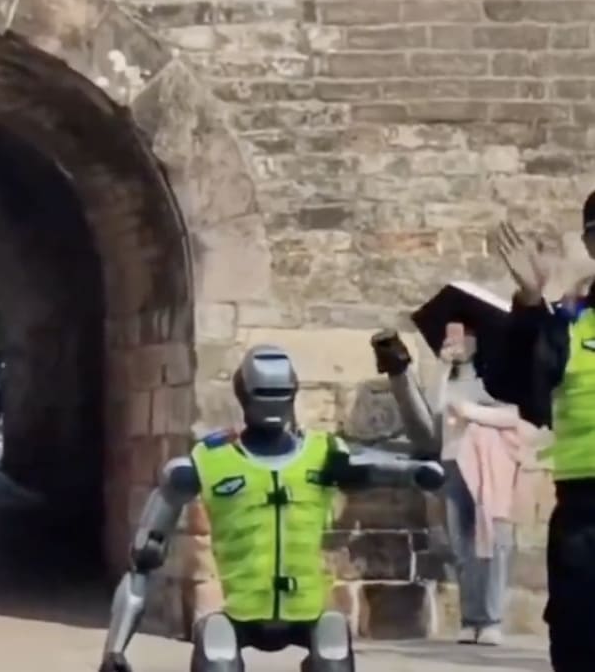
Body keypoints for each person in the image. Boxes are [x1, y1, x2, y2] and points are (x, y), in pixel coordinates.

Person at [97, 344, 445, 672]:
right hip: (240, 613)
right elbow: (142, 562)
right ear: (244, 396)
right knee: (216, 647)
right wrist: (114, 650)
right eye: (263, 394)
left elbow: (414, 461)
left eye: (280, 394)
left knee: (333, 643)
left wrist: (400, 376)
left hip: (308, 612)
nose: (272, 404)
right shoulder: (208, 462)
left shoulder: (326, 455)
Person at [372, 323, 535, 646]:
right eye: (449, 334)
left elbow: (518, 415)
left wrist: (472, 412)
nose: (455, 340)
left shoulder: (497, 377)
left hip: (489, 467)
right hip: (453, 461)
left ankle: (490, 620)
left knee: (491, 543)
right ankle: (470, 619)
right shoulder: (449, 375)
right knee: (461, 546)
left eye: (462, 334)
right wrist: (443, 367)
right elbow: (434, 412)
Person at [494, 196, 595, 671]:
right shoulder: (569, 327)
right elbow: (517, 386)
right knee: (579, 645)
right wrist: (531, 304)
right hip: (584, 513)